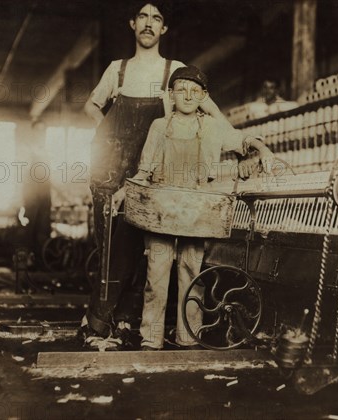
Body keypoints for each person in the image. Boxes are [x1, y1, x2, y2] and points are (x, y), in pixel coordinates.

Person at [80, 1, 235, 348]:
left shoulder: (173, 71)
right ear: (132, 23)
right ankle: (99, 322)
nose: (149, 24)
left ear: (164, 29)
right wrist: (108, 132)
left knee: (146, 247)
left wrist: (239, 141)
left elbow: (211, 112)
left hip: (151, 168)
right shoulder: (116, 70)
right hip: (111, 168)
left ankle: (126, 323)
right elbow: (91, 105)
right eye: (143, 18)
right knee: (108, 244)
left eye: (157, 18)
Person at [116, 65, 274, 350]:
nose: (187, 96)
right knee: (157, 273)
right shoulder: (159, 127)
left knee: (192, 272)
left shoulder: (213, 128)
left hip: (197, 210)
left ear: (204, 96)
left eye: (194, 91)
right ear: (171, 95)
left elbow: (242, 140)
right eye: (181, 90)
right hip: (161, 210)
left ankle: (188, 336)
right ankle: (151, 337)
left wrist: (262, 149)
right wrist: (123, 192)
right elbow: (143, 172)